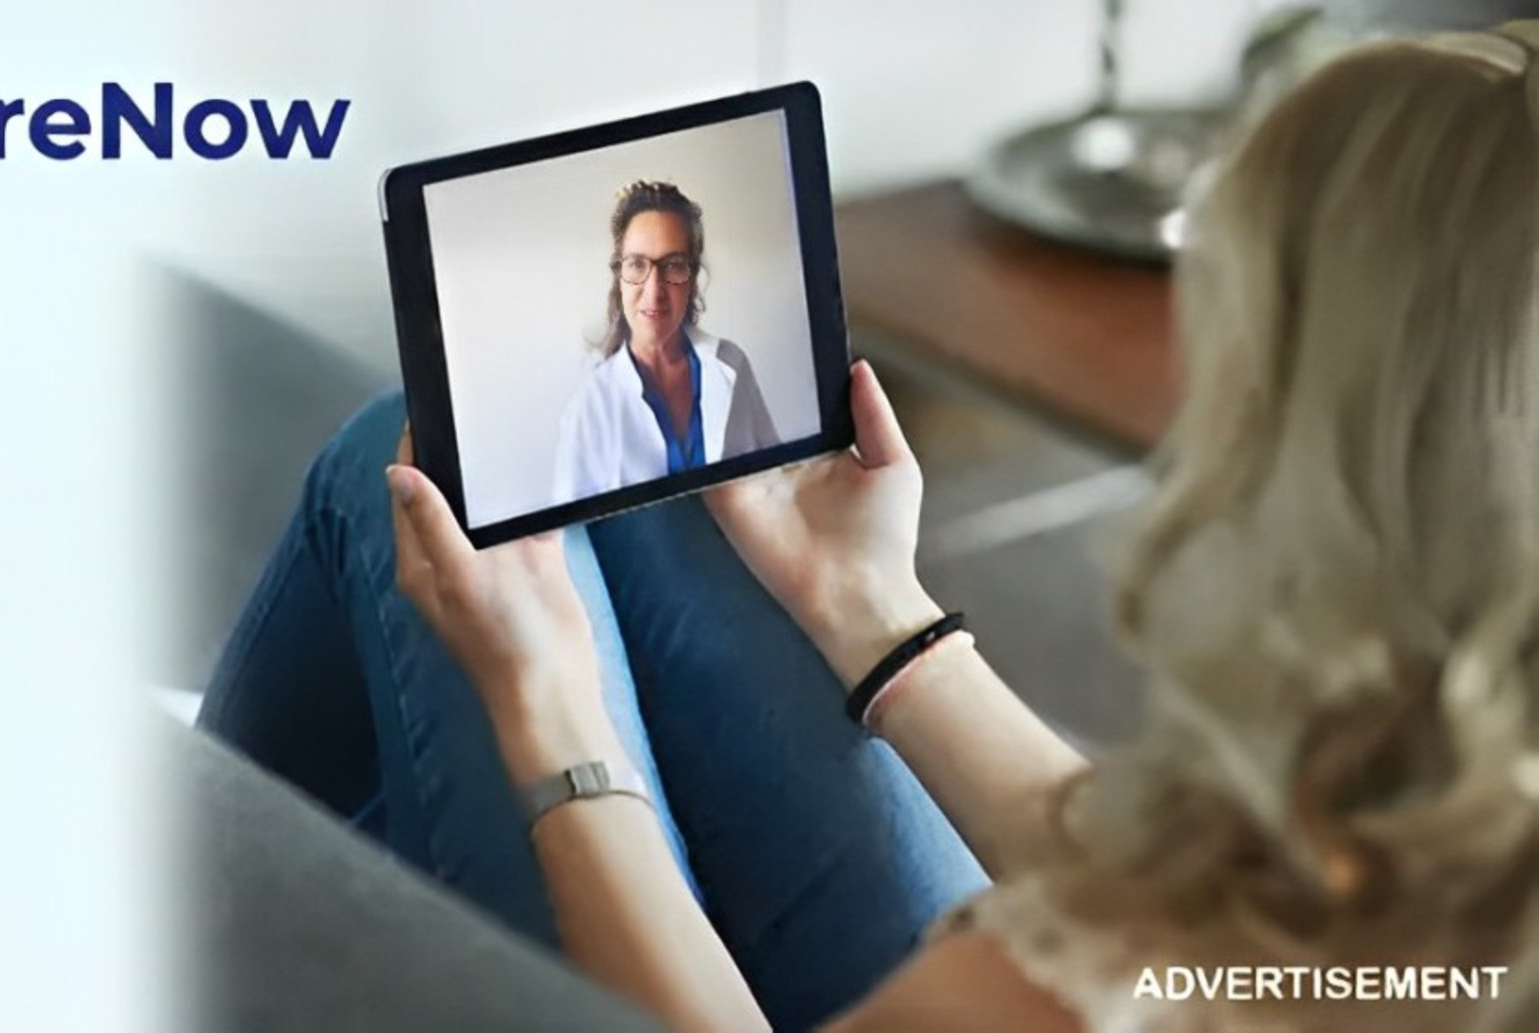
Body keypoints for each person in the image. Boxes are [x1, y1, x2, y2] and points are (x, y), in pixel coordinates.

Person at [199, 22, 1539, 1033]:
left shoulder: (1042, 992)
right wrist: (877, 614)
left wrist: (554, 729)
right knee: (609, 502)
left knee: (396, 469)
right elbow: (1247, 928)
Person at [553, 180, 781, 504]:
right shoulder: (590, 405)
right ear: (619, 277)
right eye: (637, 265)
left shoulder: (731, 364)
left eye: (673, 265)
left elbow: (781, 475)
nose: (654, 290)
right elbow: (570, 536)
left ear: (692, 277)